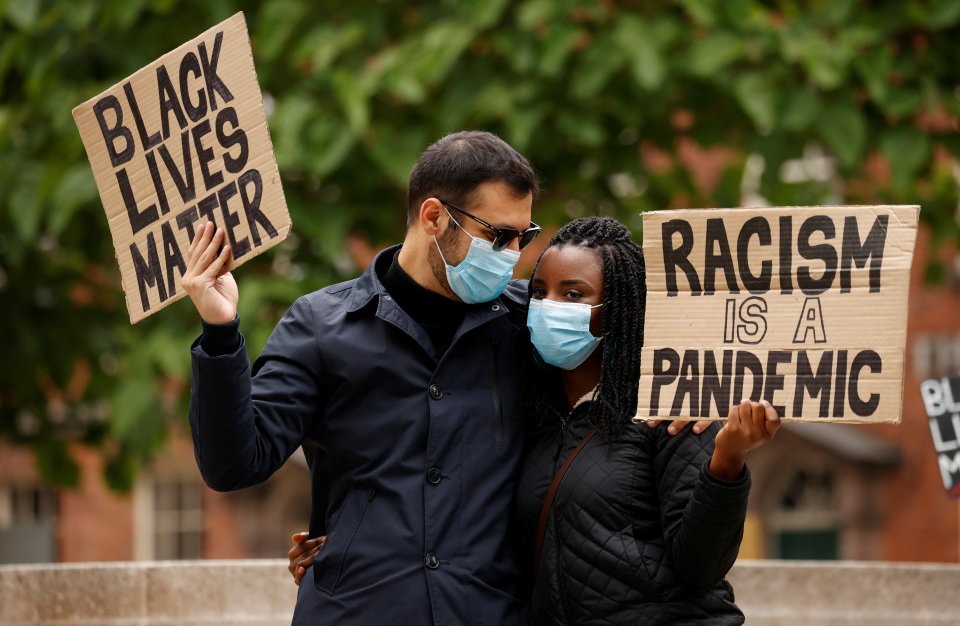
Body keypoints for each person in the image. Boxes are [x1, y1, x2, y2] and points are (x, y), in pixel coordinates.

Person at [183, 131, 543, 625]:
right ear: (434, 217)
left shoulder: (528, 323)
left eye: (524, 235)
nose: (515, 254)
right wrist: (221, 333)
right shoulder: (319, 325)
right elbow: (233, 464)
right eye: (499, 236)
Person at [515, 216, 780, 624]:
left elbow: (702, 567)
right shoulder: (533, 413)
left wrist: (727, 461)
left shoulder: (668, 409)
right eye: (539, 292)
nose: (550, 306)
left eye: (573, 294)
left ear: (618, 308)